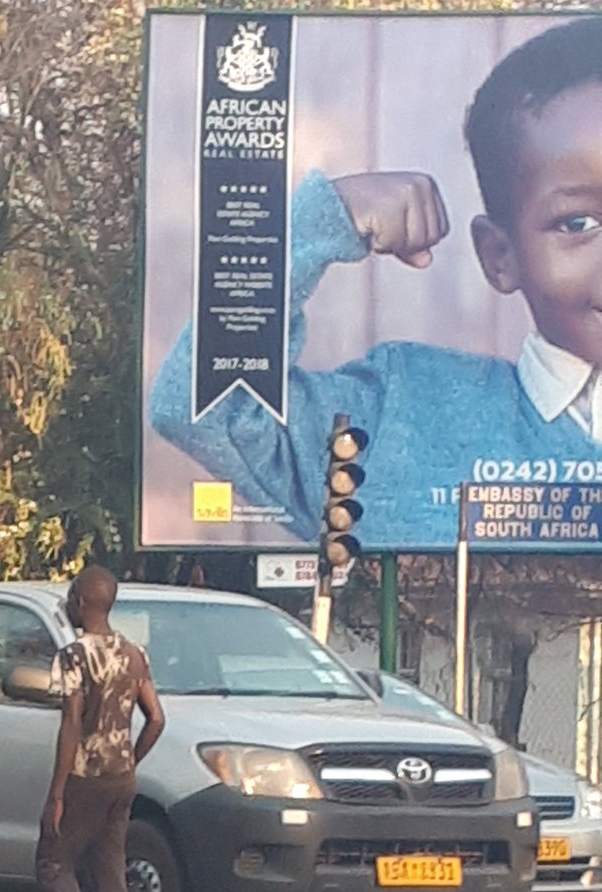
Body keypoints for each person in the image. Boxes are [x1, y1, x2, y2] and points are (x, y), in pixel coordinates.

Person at [149, 17, 602, 548]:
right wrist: (319, 227)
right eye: (578, 224)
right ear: (500, 257)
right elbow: (202, 407)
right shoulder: (395, 414)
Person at [35, 565, 166, 892]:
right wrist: (130, 760)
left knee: (53, 867)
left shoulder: (74, 655)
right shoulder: (135, 654)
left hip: (84, 778)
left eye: (72, 596)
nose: (69, 604)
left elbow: (71, 722)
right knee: (109, 869)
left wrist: (56, 793)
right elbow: (157, 719)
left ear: (82, 601)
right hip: (121, 779)